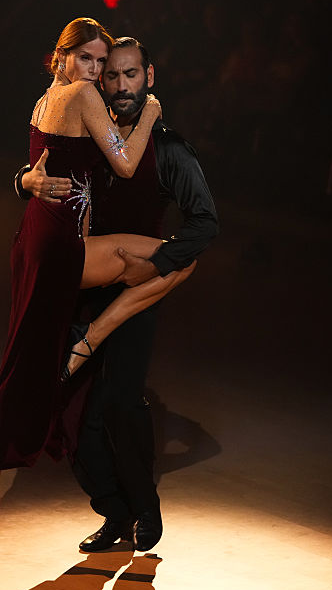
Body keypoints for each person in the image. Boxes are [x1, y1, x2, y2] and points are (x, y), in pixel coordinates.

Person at [0, 19, 195, 559]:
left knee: (22, 367)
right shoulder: (81, 96)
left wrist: (24, 181)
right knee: (176, 259)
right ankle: (92, 336)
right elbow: (125, 158)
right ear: (63, 57)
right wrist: (154, 114)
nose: (96, 71)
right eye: (87, 59)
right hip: (62, 246)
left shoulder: (44, 100)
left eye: (101, 62)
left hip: (35, 242)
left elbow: (39, 166)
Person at [16, 37, 218, 553]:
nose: (123, 85)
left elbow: (205, 223)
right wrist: (26, 182)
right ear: (101, 83)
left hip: (136, 289)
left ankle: (144, 509)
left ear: (149, 78)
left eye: (132, 75)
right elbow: (41, 162)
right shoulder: (89, 132)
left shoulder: (168, 148)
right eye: (114, 76)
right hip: (83, 283)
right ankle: (114, 510)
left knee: (121, 403)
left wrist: (152, 265)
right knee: (68, 410)